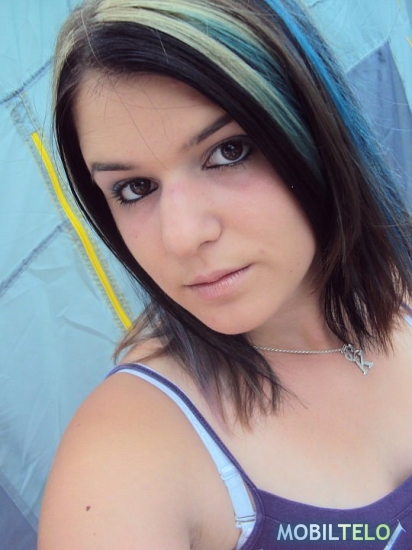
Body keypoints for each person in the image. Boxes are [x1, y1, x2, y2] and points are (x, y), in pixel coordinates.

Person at [38, 0, 412, 548]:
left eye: (228, 151)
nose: (182, 237)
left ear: (313, 126)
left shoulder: (399, 286)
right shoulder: (123, 454)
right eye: (135, 189)